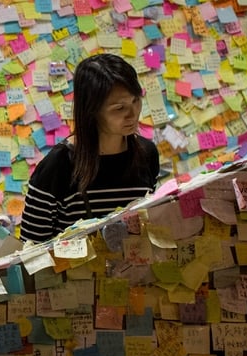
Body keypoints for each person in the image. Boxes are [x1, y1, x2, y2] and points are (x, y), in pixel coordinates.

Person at [19, 53, 161, 243]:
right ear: (91, 110)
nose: (133, 114)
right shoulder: (58, 166)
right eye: (119, 108)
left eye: (136, 101)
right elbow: (30, 251)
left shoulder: (147, 154)